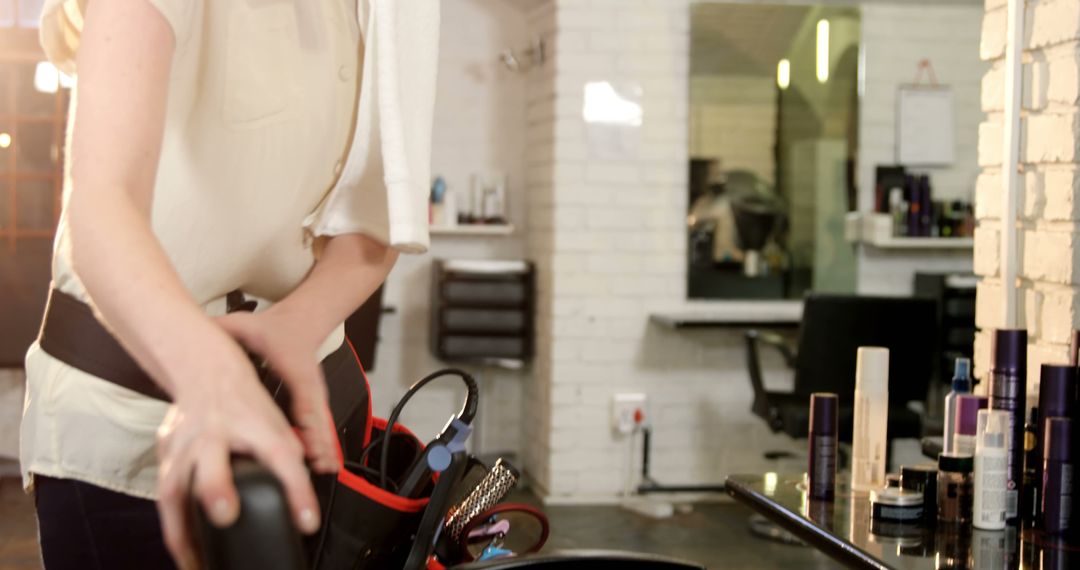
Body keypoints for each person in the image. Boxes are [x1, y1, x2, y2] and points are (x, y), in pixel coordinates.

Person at [19, 1, 439, 568]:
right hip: (133, 426)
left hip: (316, 411)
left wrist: (291, 329)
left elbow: (379, 223)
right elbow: (102, 207)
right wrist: (212, 373)